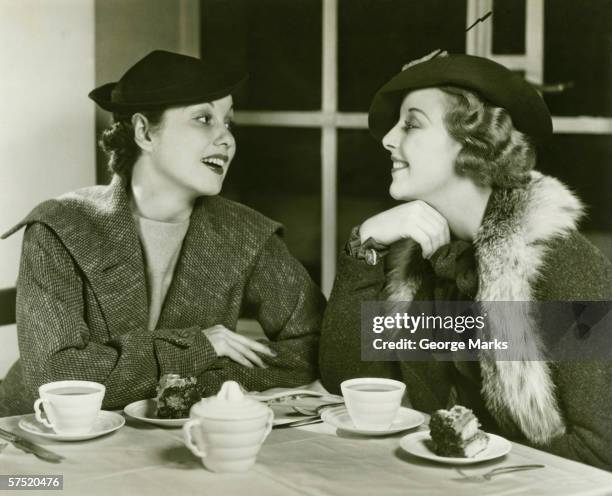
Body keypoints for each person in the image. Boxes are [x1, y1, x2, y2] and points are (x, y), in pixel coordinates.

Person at [319, 52, 612, 470]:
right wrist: (364, 245)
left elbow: (602, 453)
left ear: (473, 142)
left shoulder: (560, 262)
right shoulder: (418, 258)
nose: (387, 139)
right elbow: (348, 381)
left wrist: (466, 462)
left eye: (412, 123)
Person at [0, 50, 324, 416]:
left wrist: (192, 382)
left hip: (169, 440)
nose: (226, 140)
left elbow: (315, 345)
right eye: (204, 119)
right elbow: (57, 378)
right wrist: (196, 347)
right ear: (144, 132)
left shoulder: (245, 233)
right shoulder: (60, 226)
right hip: (38, 437)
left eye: (228, 123)